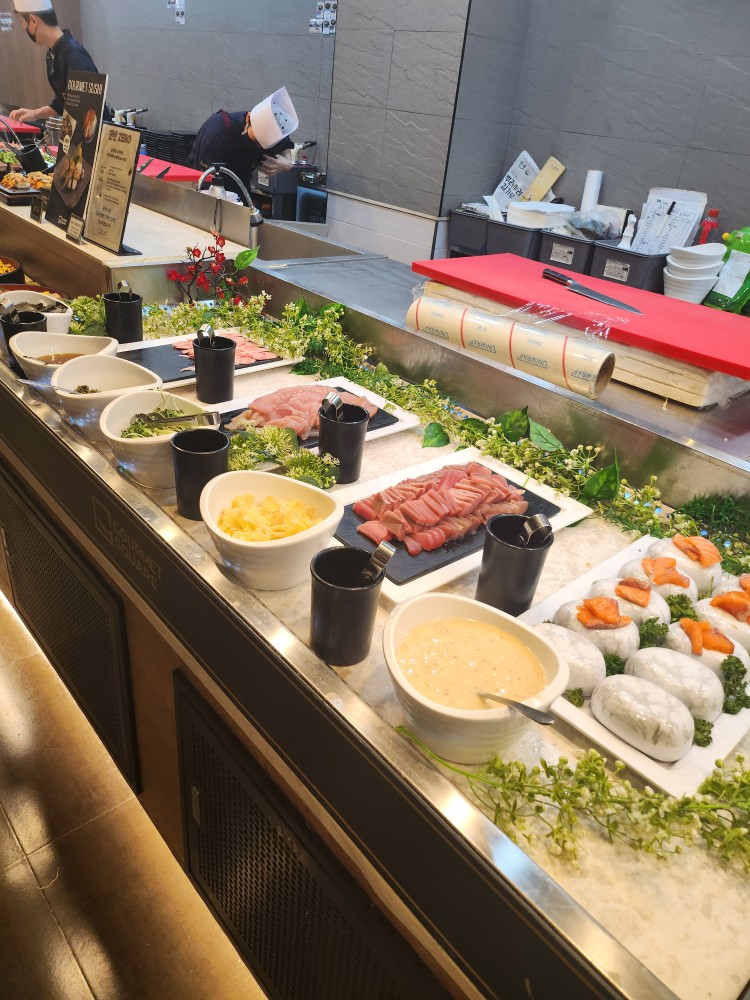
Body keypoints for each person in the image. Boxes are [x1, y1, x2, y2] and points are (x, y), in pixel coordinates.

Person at [187, 87, 299, 195]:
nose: (258, 146)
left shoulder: (271, 132)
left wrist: (288, 164)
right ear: (248, 119)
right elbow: (205, 179)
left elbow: (284, 145)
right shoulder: (217, 131)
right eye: (256, 140)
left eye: (263, 146)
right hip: (205, 182)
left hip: (240, 182)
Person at [9, 0, 103, 124]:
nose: (23, 27)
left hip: (96, 132)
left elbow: (91, 109)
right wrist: (35, 113)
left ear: (33, 21)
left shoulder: (74, 54)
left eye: (22, 22)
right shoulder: (51, 54)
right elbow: (61, 103)